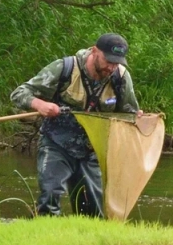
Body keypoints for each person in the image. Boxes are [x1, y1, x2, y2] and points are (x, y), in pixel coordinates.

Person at [10, 33, 140, 217]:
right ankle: (45, 235)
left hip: (92, 150)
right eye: (108, 60)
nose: (111, 67)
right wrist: (40, 104)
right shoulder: (65, 68)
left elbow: (129, 114)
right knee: (50, 197)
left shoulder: (121, 78)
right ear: (95, 51)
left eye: (116, 62)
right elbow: (19, 93)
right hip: (56, 144)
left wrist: (140, 118)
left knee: (92, 213)